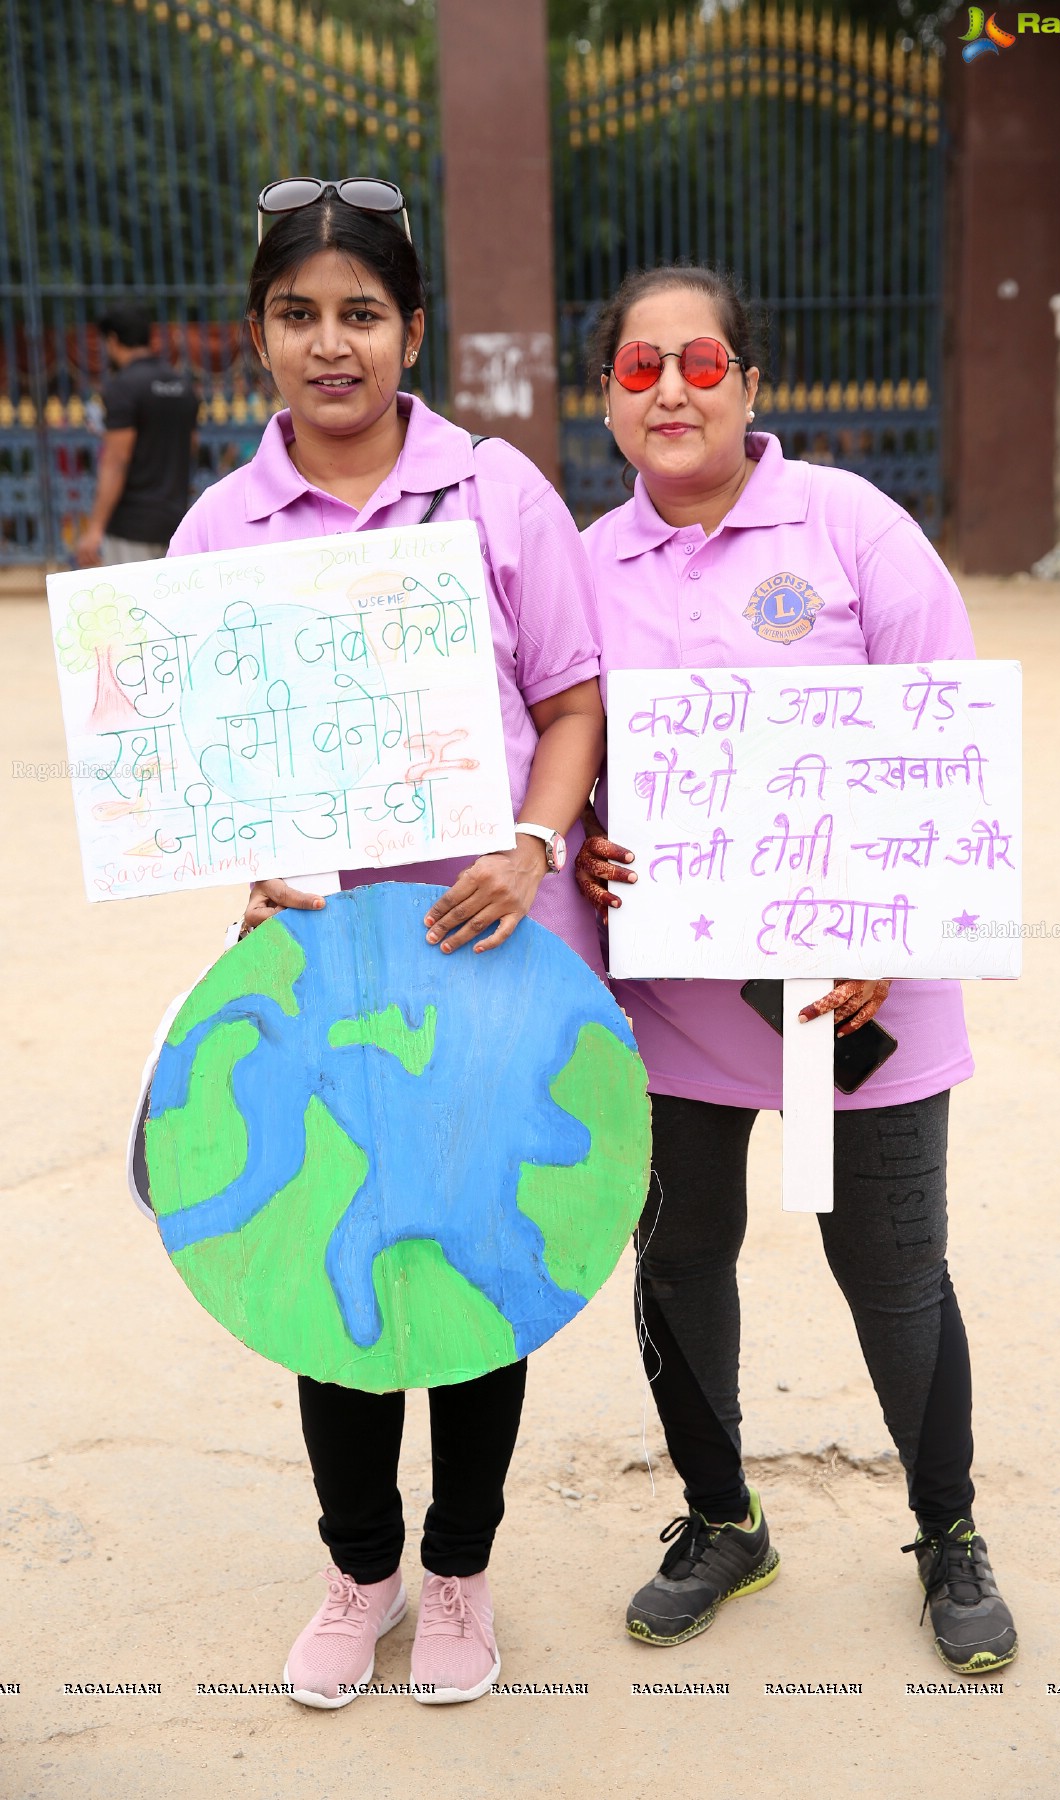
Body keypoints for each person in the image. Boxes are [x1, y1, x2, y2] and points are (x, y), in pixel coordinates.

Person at [167, 180, 606, 1708]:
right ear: (261, 336)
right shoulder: (222, 527)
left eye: (361, 313)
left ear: (411, 332)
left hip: (492, 961)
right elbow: (203, 760)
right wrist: (253, 864)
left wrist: (527, 846)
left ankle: (463, 1575)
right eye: (299, 314)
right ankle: (360, 1574)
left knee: (483, 1270)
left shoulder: (496, 494)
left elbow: (567, 702)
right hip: (322, 978)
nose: (330, 344)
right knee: (324, 1261)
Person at [574, 264, 1018, 1677]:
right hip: (676, 1013)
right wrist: (586, 849)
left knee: (889, 1270)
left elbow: (945, 728)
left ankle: (948, 1531)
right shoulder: (585, 567)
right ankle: (723, 1521)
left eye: (699, 362)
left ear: (750, 383)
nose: (673, 392)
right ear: (608, 402)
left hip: (858, 1001)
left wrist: (892, 929)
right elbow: (561, 758)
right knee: (680, 1254)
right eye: (639, 371)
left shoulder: (849, 526)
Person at [77, 301, 199, 567]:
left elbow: (116, 460)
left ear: (113, 340)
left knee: (130, 606)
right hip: (175, 519)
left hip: (131, 526)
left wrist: (95, 528)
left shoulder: (123, 387)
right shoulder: (182, 385)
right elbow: (191, 446)